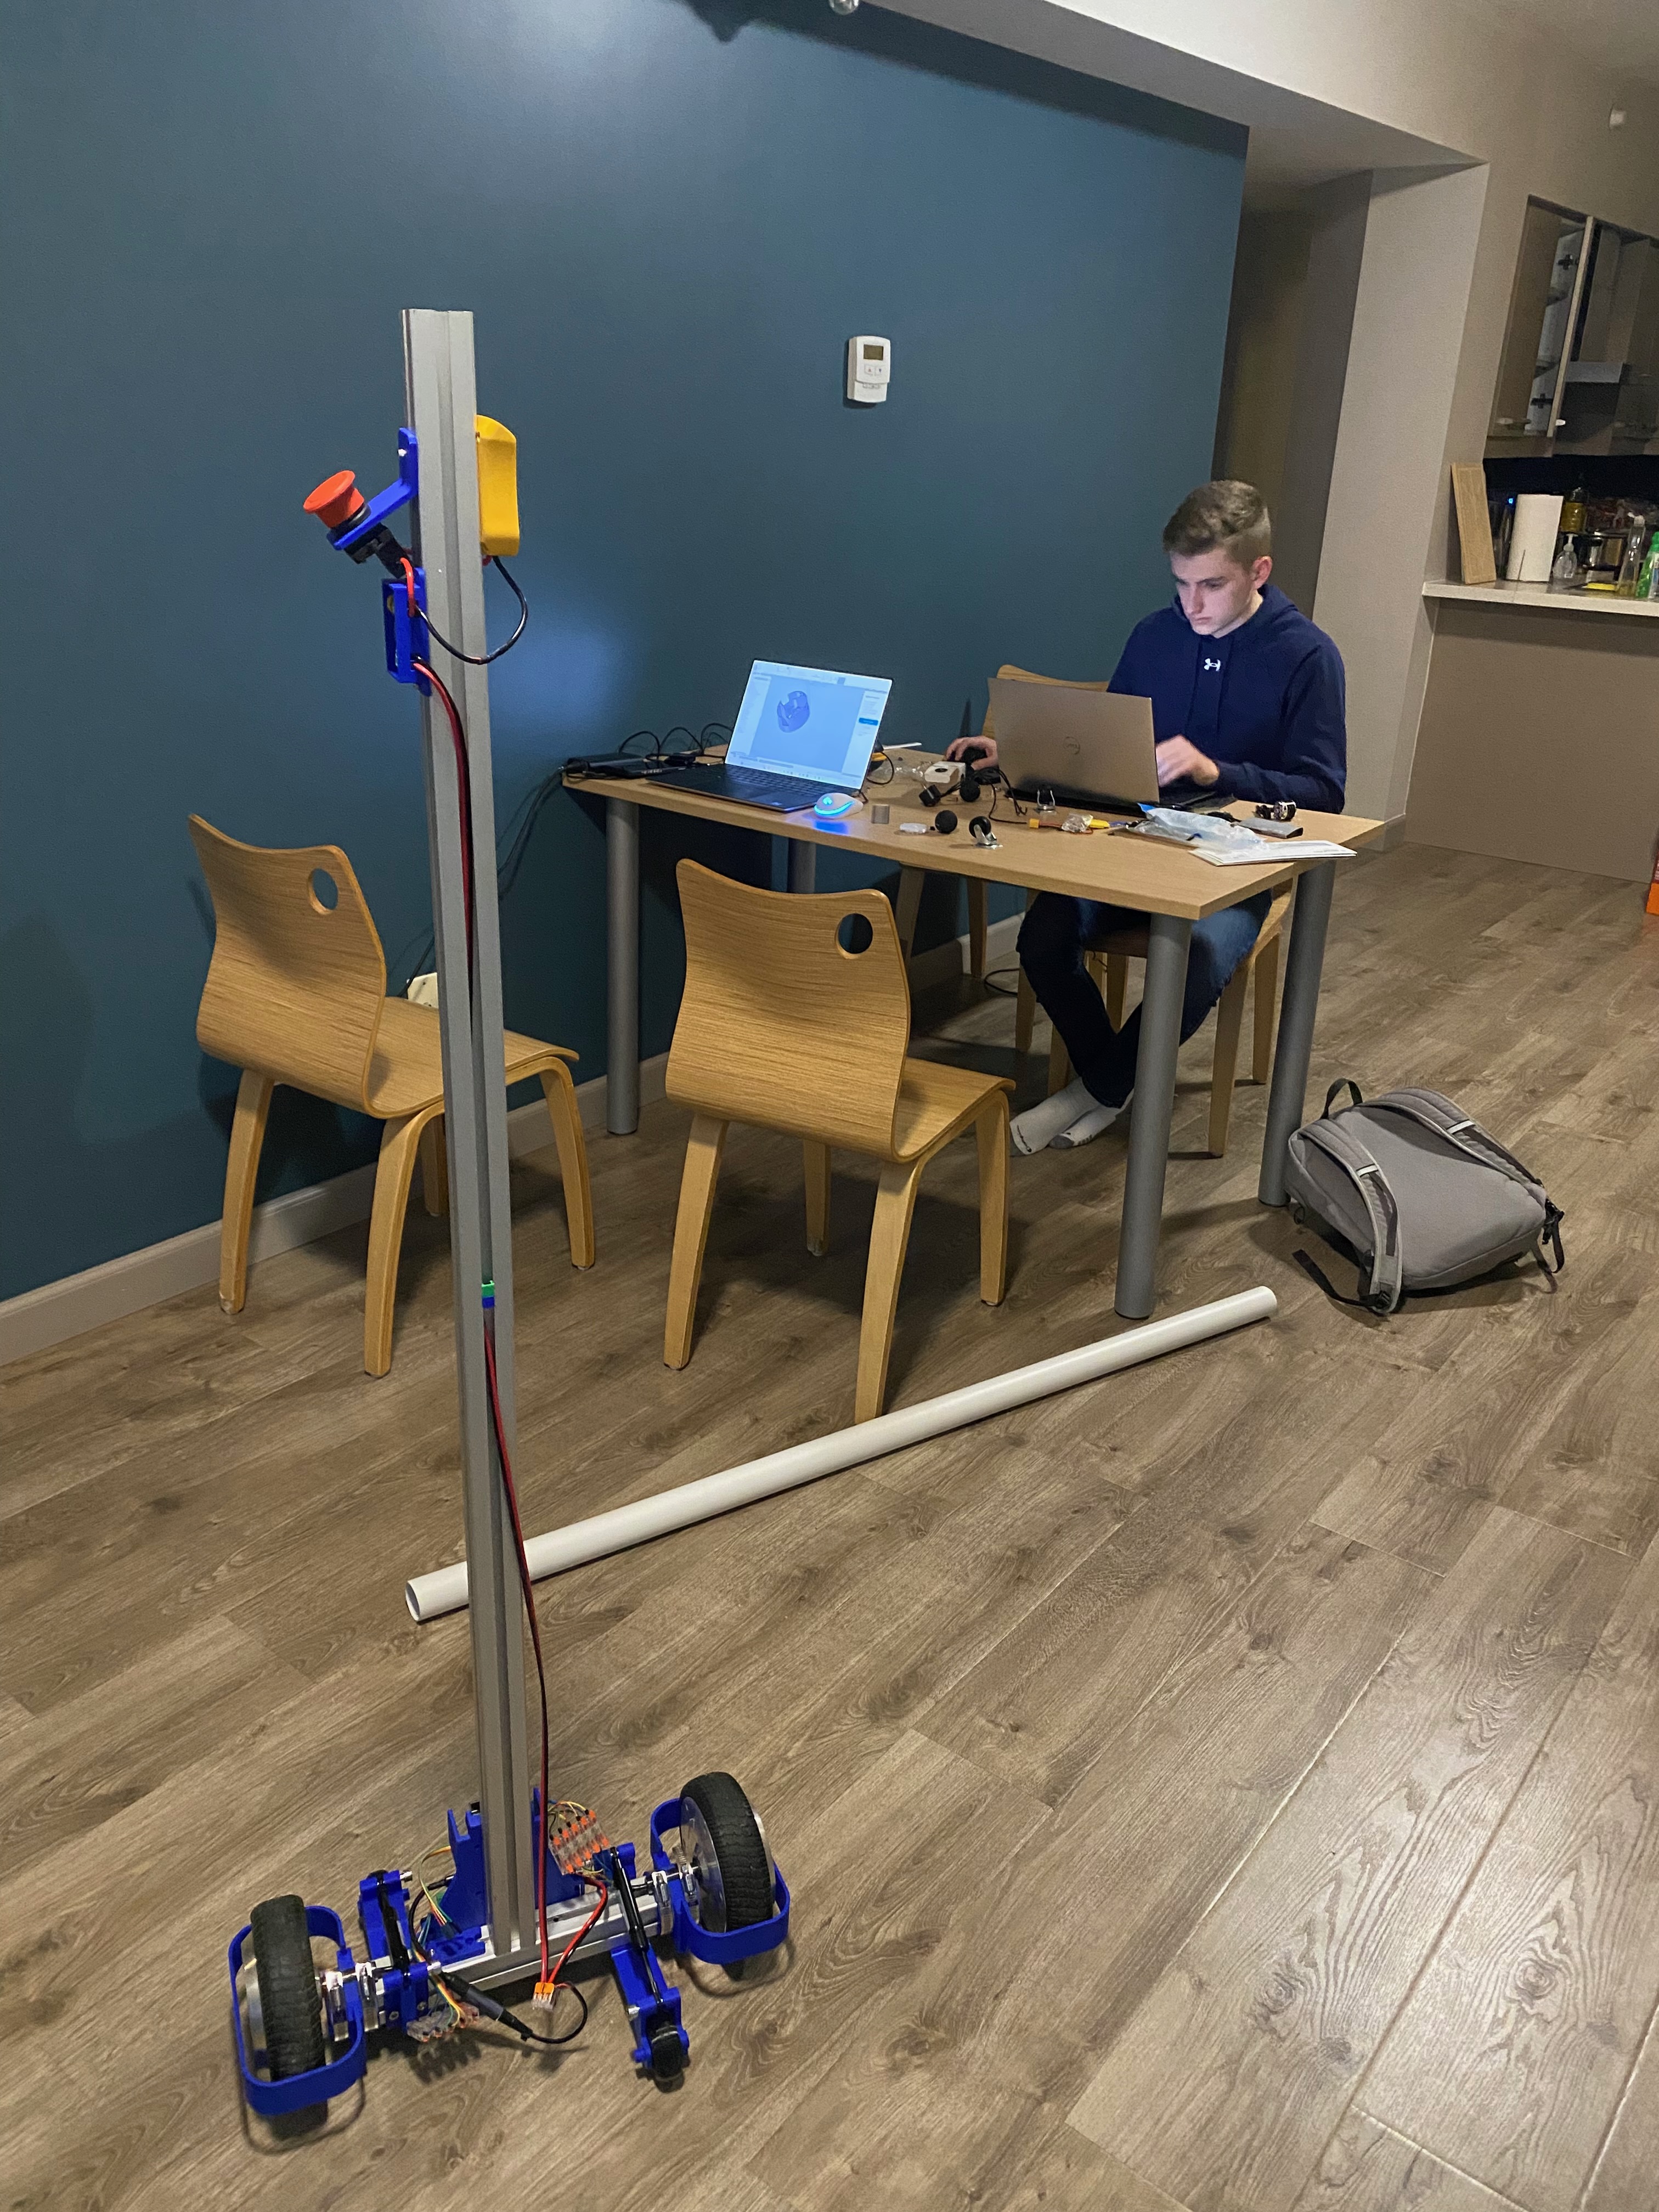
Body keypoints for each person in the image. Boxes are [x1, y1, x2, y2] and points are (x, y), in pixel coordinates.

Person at [950, 479, 1346, 1154]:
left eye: (1212, 586)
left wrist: (1219, 772)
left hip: (1234, 864)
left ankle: (1093, 1090)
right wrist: (1018, 752)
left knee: (1197, 954)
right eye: (1181, 583)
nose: (1192, 605)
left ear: (1260, 571)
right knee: (1042, 940)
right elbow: (1106, 745)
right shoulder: (1154, 635)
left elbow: (1324, 792)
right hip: (1130, 845)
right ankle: (1116, 1079)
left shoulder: (1306, 655)